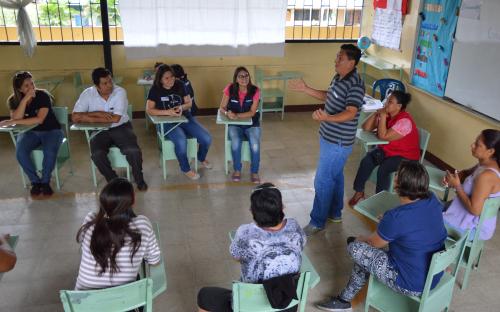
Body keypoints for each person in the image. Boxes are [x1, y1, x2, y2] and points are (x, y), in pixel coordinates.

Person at [316, 161, 447, 311]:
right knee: (365, 259)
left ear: (398, 185)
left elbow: (374, 243)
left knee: (356, 248)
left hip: (411, 282)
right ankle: (343, 300)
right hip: (434, 274)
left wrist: (360, 239)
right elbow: (414, 220)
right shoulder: (432, 198)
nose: (394, 176)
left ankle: (343, 302)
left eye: (397, 175)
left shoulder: (396, 217)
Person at [288, 44, 365, 236]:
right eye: (337, 56)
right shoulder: (339, 77)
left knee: (322, 180)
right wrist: (306, 89)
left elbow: (350, 112)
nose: (336, 60)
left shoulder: (355, 83)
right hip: (329, 138)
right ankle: (335, 213)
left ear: (351, 62)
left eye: (340, 58)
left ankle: (317, 221)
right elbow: (328, 96)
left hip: (338, 142)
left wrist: (327, 118)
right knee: (336, 176)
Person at [197, 183, 306, 312]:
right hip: (288, 302)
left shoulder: (245, 233)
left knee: (204, 295)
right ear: (282, 207)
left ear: (252, 211)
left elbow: (236, 256)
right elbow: (302, 244)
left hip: (250, 306)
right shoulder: (294, 226)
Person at [74, 178, 161, 290]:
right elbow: (154, 260)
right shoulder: (142, 224)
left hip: (82, 303)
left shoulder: (90, 221)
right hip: (126, 303)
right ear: (133, 201)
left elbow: (83, 245)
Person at [72, 67, 148, 191]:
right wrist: (97, 114)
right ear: (96, 85)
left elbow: (116, 119)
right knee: (97, 155)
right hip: (98, 130)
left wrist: (87, 117)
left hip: (121, 127)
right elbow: (75, 117)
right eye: (105, 83)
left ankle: (139, 179)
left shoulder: (120, 92)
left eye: (110, 81)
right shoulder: (87, 94)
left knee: (133, 151)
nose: (110, 85)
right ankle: (113, 181)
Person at [348, 90, 420, 207]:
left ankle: (380, 200)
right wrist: (377, 113)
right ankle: (359, 191)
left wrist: (382, 116)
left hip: (406, 157)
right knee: (367, 160)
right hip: (389, 151)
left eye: (390, 102)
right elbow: (365, 128)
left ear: (399, 106)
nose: (386, 103)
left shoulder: (405, 122)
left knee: (384, 168)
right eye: (387, 100)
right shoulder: (387, 115)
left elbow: (383, 136)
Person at [0, 71, 63, 196]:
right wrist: (25, 100)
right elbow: (17, 120)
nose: (31, 87)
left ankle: (45, 182)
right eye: (26, 86)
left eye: (32, 83)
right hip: (30, 132)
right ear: (19, 89)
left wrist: (12, 121)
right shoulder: (13, 100)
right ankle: (35, 181)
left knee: (49, 151)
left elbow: (39, 119)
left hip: (51, 130)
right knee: (20, 152)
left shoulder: (43, 95)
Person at [146, 64, 212, 180]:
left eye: (172, 76)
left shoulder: (180, 84)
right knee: (181, 141)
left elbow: (189, 103)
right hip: (167, 122)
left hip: (185, 118)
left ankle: (201, 157)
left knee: (206, 138)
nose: (171, 80)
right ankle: (185, 168)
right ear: (160, 79)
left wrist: (181, 107)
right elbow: (149, 110)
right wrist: (167, 112)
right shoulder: (155, 89)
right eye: (166, 78)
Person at [443, 129, 500, 240]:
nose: (472, 145)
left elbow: (475, 210)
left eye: (477, 145)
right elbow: (467, 173)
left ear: (490, 151)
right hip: (465, 216)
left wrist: (457, 186)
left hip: (473, 228)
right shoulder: (484, 165)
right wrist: (457, 177)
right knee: (429, 201)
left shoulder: (487, 176)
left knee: (426, 217)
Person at [219, 66, 261, 183]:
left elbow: (252, 112)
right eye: (241, 76)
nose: (244, 78)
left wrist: (236, 115)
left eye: (246, 75)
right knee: (236, 142)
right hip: (234, 124)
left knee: (255, 145)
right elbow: (221, 108)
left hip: (252, 124)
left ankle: (254, 171)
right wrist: (228, 113)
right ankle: (237, 169)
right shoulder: (230, 88)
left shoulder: (255, 90)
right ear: (236, 79)